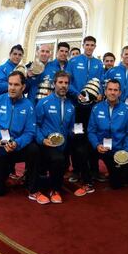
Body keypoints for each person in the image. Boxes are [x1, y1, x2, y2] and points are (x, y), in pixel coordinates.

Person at [0, 71, 44, 201]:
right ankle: (2, 172)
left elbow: (30, 132)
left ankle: (32, 187)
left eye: (16, 84)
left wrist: (17, 143)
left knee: (34, 150)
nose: (12, 88)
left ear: (23, 87)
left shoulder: (28, 106)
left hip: (14, 148)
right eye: (10, 84)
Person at [66, 36, 104, 186]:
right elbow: (68, 82)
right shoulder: (73, 62)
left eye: (92, 45)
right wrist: (77, 94)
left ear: (95, 47)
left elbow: (101, 82)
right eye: (87, 45)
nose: (89, 47)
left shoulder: (98, 63)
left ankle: (94, 169)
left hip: (92, 108)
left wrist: (100, 93)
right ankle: (76, 170)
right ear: (83, 45)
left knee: (92, 136)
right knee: (77, 137)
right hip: (77, 107)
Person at [35, 71, 75, 203]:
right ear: (54, 84)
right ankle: (55, 190)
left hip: (63, 145)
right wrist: (42, 140)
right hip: (47, 144)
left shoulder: (71, 106)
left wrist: (75, 132)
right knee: (57, 159)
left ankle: (56, 182)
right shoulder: (43, 103)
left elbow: (70, 128)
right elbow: (35, 125)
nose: (63, 85)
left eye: (66, 83)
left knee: (71, 154)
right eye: (60, 82)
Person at [87, 79, 128, 189]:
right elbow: (91, 131)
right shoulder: (96, 108)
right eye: (110, 89)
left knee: (118, 184)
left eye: (115, 90)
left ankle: (117, 172)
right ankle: (90, 175)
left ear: (120, 93)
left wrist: (126, 151)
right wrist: (97, 145)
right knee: (83, 150)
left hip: (119, 149)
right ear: (105, 91)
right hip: (100, 147)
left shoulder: (127, 110)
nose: (112, 92)